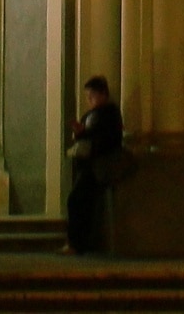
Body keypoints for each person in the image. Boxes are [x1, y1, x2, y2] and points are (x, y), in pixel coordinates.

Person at [65, 76, 123, 252]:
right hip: (87, 164)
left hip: (99, 164)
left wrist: (86, 133)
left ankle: (77, 243)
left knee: (76, 201)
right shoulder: (89, 115)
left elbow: (107, 138)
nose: (89, 100)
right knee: (78, 202)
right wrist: (79, 132)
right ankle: (78, 242)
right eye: (87, 96)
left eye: (93, 95)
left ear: (103, 94)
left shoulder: (110, 113)